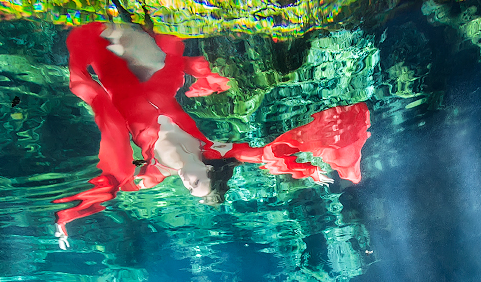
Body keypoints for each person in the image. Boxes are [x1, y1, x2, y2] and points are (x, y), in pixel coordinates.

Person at [54, 21, 372, 248]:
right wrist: (308, 169)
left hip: (119, 87)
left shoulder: (154, 172)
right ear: (207, 170)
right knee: (152, 46)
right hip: (156, 79)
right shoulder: (214, 150)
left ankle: (115, 33)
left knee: (97, 39)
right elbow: (264, 155)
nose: (186, 183)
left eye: (189, 188)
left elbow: (110, 187)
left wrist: (66, 217)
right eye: (196, 183)